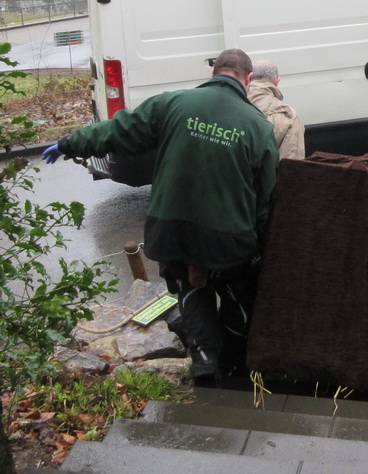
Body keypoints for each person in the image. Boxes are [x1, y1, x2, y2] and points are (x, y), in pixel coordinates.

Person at [42, 49, 279, 386]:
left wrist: (69, 144)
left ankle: (205, 363)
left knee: (188, 288)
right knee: (234, 293)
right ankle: (236, 369)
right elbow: (267, 197)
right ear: (248, 78)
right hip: (228, 238)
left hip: (171, 230)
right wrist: (260, 244)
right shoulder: (258, 126)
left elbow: (117, 131)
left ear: (215, 73)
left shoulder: (171, 104)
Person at [248, 59, 306, 160]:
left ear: (249, 78)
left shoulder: (230, 106)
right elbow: (291, 165)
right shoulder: (290, 117)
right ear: (277, 81)